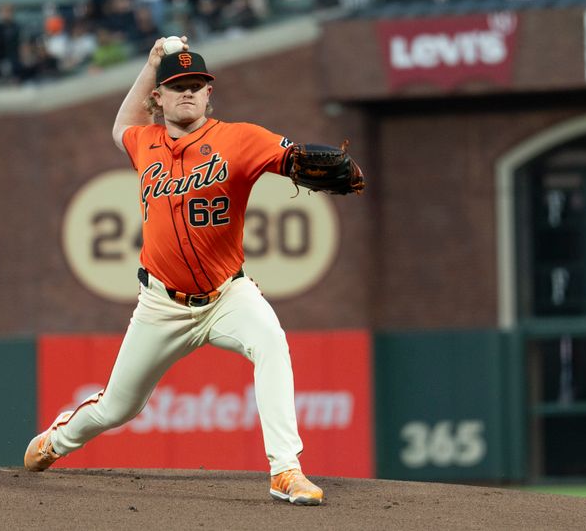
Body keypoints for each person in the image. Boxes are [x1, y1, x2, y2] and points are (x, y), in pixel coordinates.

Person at [24, 38, 362, 506]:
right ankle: (57, 442)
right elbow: (123, 123)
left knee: (271, 343)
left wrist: (307, 161)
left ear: (208, 95)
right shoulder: (144, 142)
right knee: (117, 407)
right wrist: (149, 65)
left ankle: (285, 470)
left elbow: (290, 156)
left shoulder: (240, 139)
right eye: (178, 85)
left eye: (197, 85)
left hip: (228, 294)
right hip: (161, 304)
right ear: (158, 98)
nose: (189, 92)